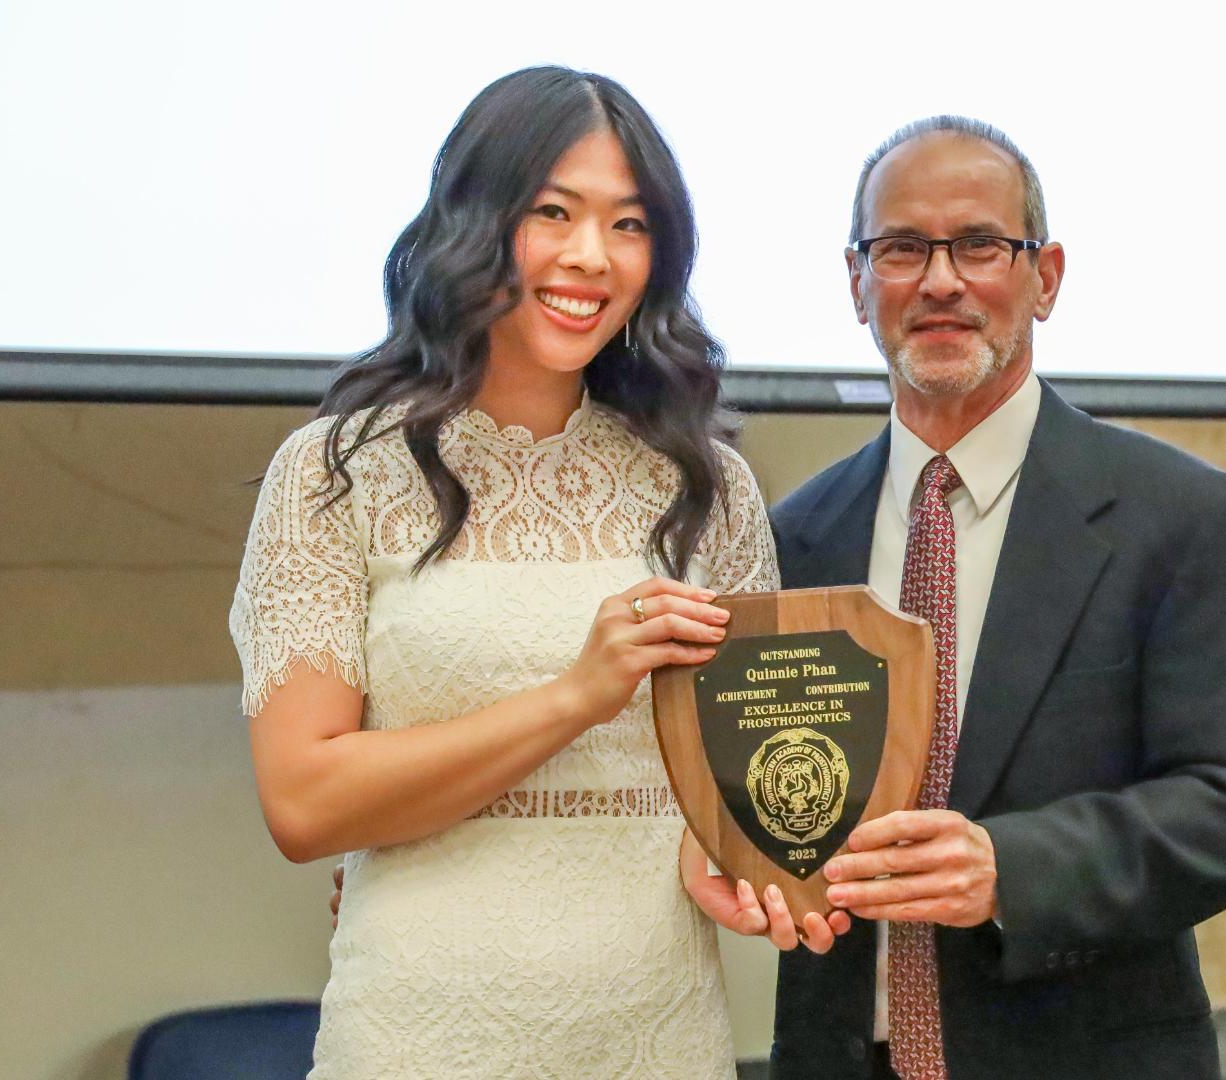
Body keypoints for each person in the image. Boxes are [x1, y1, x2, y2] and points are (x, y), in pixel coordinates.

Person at [232, 66, 828, 1079]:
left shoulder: (707, 486)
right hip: (422, 1035)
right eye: (554, 212)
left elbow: (726, 795)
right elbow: (305, 803)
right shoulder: (337, 473)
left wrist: (732, 863)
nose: (591, 257)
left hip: (654, 1033)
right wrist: (575, 696)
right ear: (474, 221)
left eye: (630, 225)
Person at [760, 118, 1226, 1079]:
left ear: (1045, 276)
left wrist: (1010, 868)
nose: (939, 281)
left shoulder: (1182, 518)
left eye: (979, 245)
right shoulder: (795, 534)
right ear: (856, 285)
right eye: (900, 249)